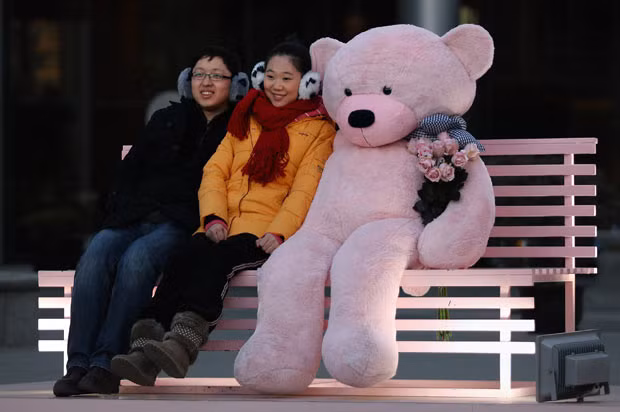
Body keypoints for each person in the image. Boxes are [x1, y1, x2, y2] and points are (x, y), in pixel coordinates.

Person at [110, 40, 336, 386]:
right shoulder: (246, 116)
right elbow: (215, 171)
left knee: (216, 263)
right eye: (271, 76)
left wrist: (279, 233)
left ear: (307, 83)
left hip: (264, 232)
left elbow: (305, 190)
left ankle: (184, 342)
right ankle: (145, 351)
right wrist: (213, 218)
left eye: (287, 78)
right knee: (184, 257)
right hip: (223, 223)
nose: (276, 86)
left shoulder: (318, 130)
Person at [53, 45, 247, 397]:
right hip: (135, 214)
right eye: (199, 74)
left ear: (235, 86)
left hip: (180, 222)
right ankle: (77, 364)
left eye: (217, 76)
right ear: (187, 81)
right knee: (96, 254)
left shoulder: (236, 132)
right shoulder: (165, 119)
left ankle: (104, 365)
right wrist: (119, 214)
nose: (206, 83)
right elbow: (130, 173)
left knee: (137, 260)